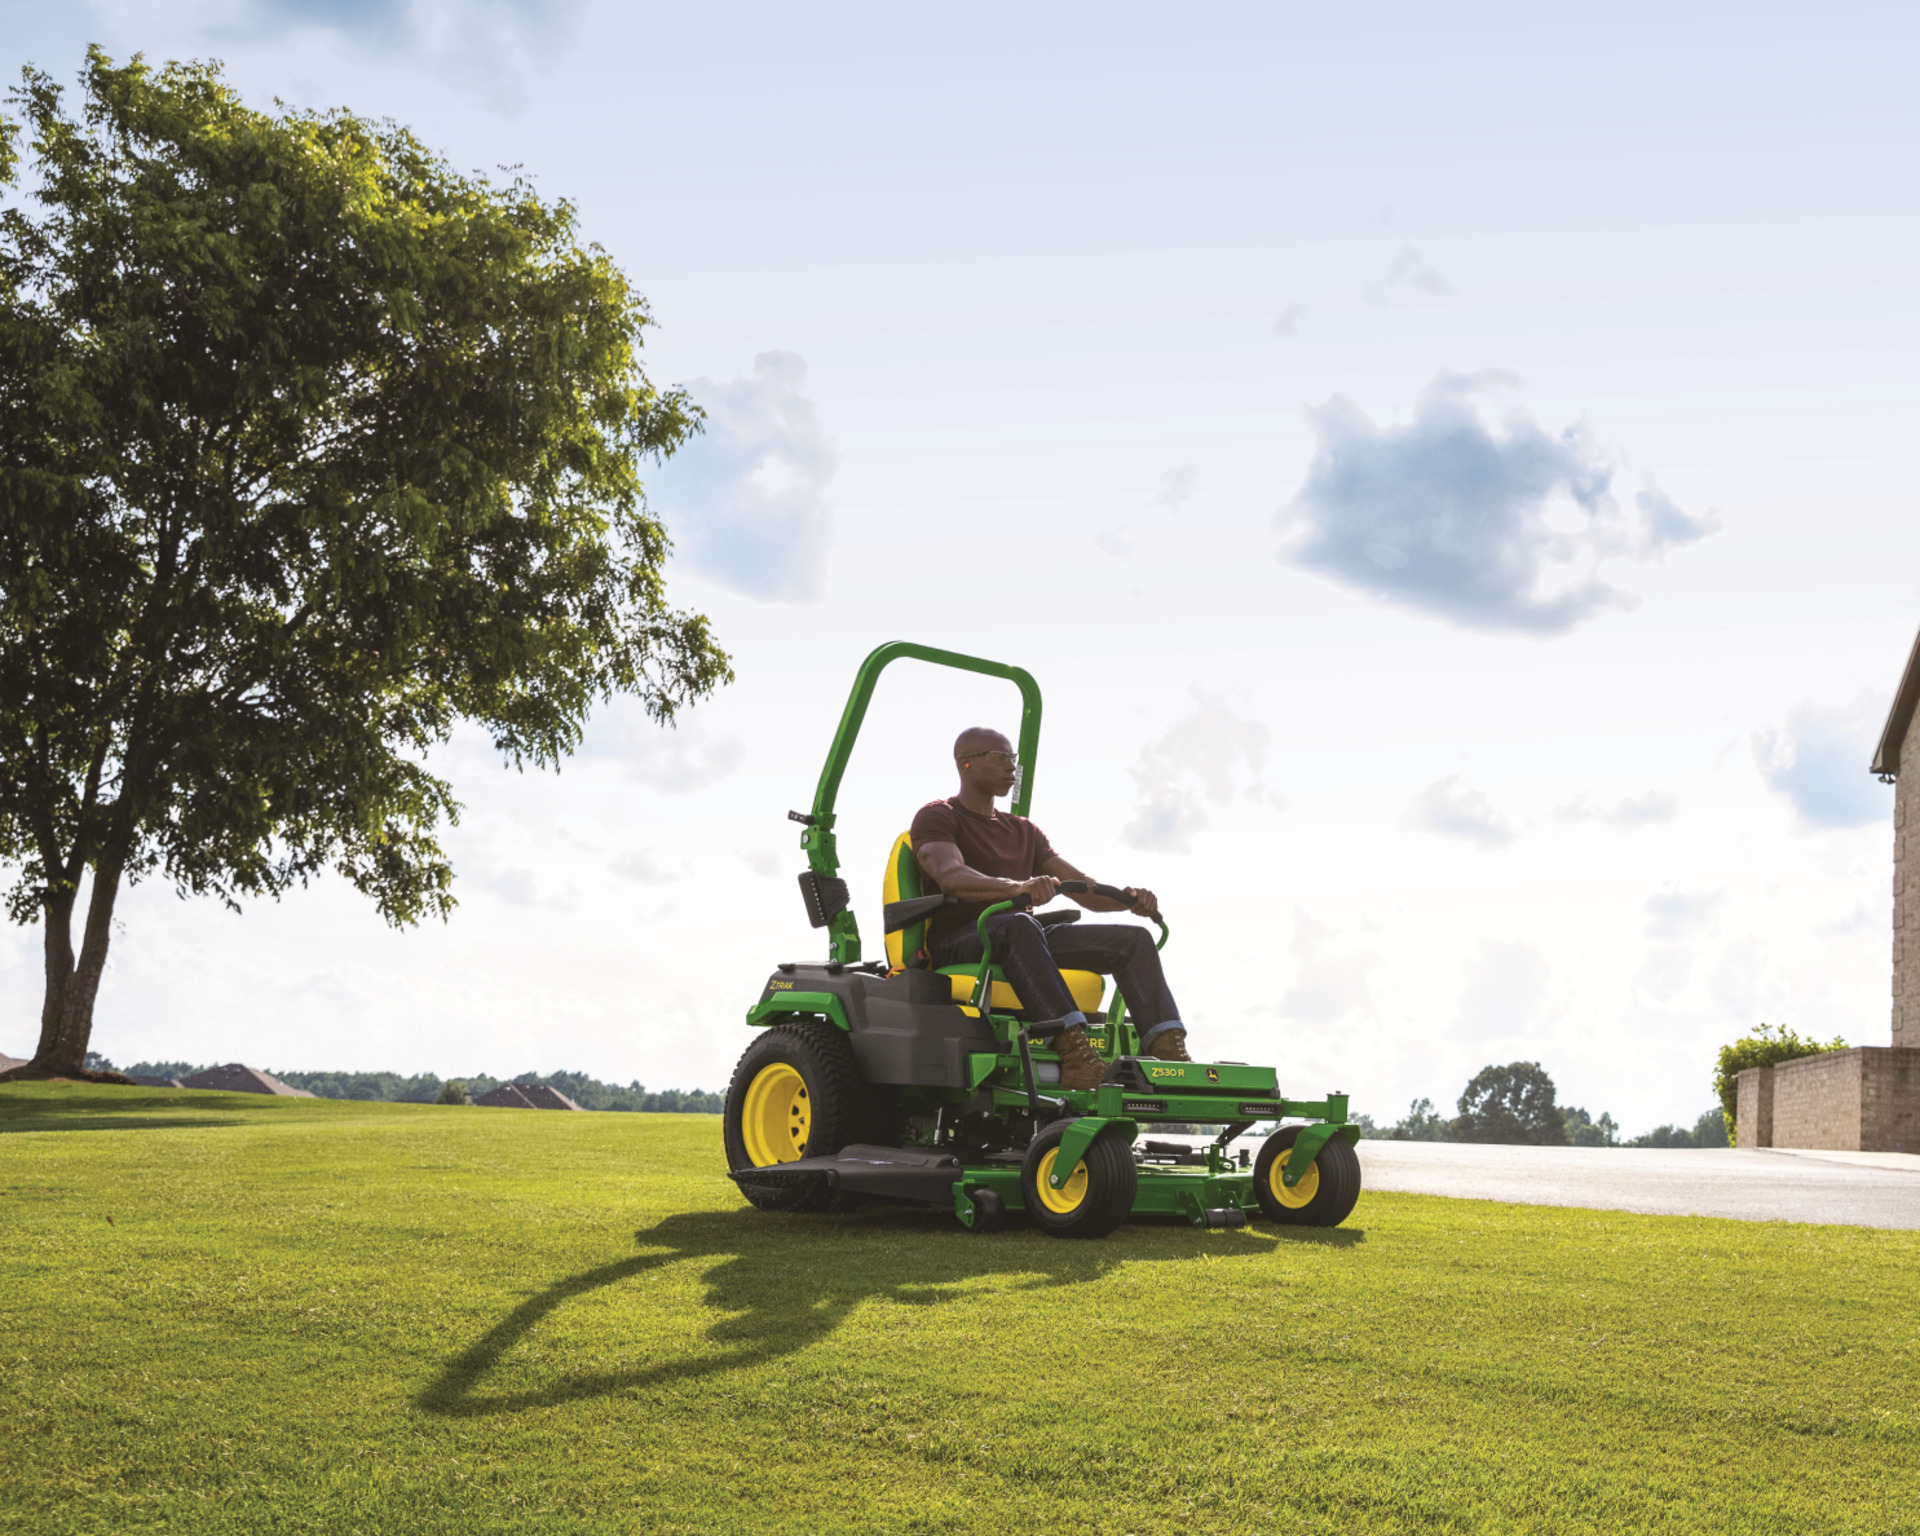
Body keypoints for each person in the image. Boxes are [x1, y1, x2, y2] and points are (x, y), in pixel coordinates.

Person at [909, 726, 1194, 1092]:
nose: (1011, 767)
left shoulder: (1024, 831)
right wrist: (1018, 888)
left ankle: (1169, 1053)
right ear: (966, 763)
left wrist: (1127, 899)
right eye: (1000, 758)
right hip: (963, 938)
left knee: (1133, 940)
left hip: (1018, 935)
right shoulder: (938, 816)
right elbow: (951, 875)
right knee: (1018, 924)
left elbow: (1083, 889)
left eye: (1013, 759)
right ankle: (1075, 1056)